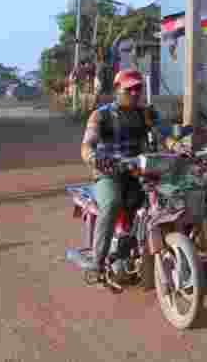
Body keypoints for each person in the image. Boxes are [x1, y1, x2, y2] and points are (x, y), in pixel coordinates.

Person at [76, 69, 169, 283]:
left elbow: (163, 134)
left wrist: (177, 144)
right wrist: (95, 157)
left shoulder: (145, 113)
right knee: (111, 203)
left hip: (139, 171)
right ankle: (97, 263)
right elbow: (86, 145)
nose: (135, 93)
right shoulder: (101, 115)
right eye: (130, 89)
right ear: (118, 90)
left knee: (166, 197)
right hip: (110, 173)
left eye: (139, 88)